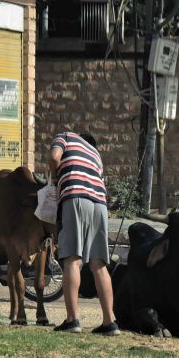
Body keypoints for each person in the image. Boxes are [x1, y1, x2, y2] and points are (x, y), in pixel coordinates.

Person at [47, 130, 119, 335]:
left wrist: (54, 178)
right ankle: (109, 322)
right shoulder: (96, 154)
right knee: (98, 263)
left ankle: (72, 320)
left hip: (75, 197)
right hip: (100, 203)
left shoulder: (66, 136)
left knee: (72, 257)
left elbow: (53, 157)